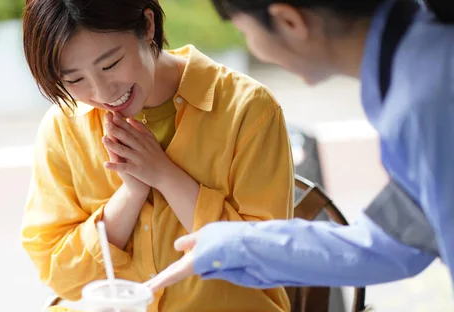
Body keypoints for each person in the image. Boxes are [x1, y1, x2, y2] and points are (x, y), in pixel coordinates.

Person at [20, 0, 307, 312]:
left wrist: (165, 176)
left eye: (110, 64)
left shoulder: (249, 110)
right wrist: (131, 194)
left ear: (148, 25)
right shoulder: (63, 127)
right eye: (74, 79)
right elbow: (59, 273)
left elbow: (266, 260)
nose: (103, 91)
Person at [145, 0, 454, 295]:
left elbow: (394, 245)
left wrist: (233, 244)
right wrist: (232, 244)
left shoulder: (424, 103)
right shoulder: (422, 62)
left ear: (290, 21)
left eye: (245, 32)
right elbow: (396, 241)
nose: (252, 47)